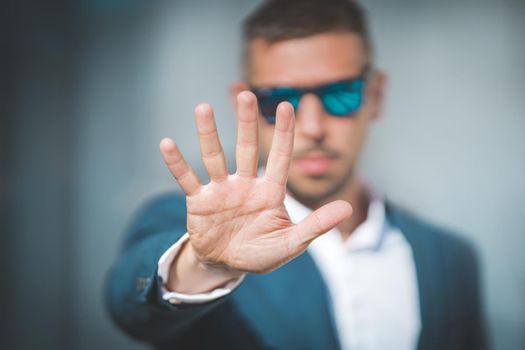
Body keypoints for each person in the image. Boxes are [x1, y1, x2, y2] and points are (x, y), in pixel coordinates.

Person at [105, 0, 487, 349]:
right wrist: (201, 265)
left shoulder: (450, 259)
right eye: (279, 100)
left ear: (375, 95)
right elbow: (130, 308)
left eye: (341, 94)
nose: (312, 126)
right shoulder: (184, 227)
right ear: (248, 103)